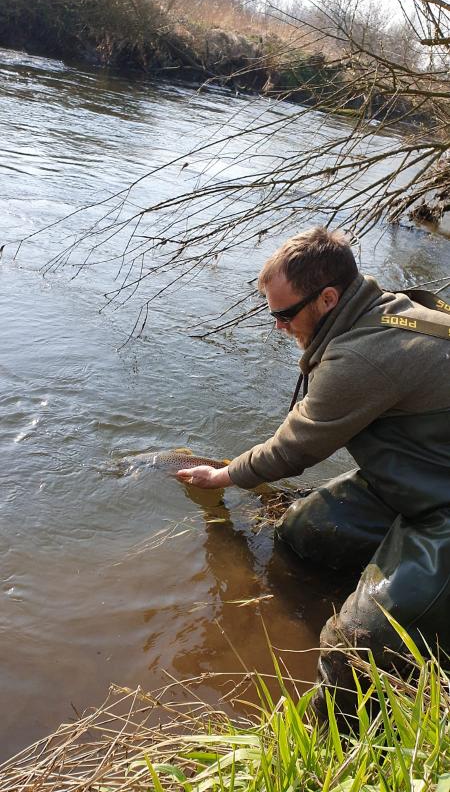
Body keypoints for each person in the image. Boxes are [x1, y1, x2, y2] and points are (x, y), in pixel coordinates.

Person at [177, 226, 450, 723]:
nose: (279, 327)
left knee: (354, 647)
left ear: (328, 298)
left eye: (285, 315)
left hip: (442, 504)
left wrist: (222, 477)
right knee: (305, 531)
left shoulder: (362, 357)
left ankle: (333, 739)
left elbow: (294, 447)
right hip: (426, 468)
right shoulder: (385, 309)